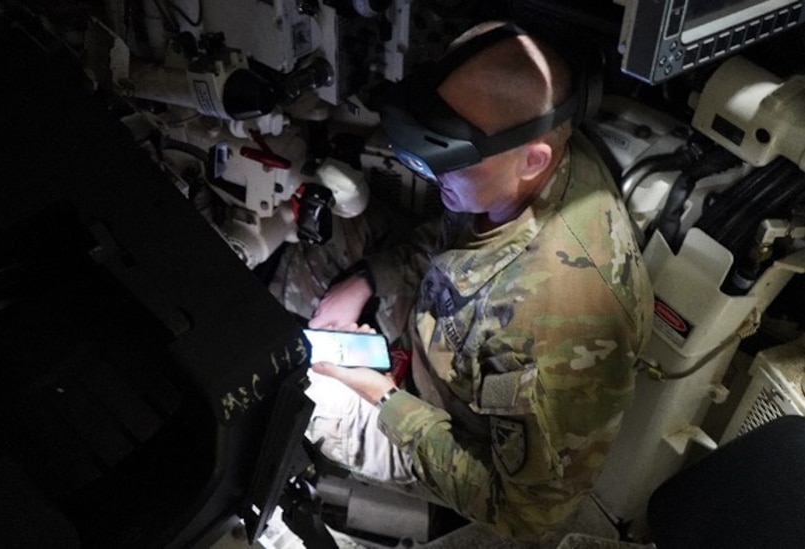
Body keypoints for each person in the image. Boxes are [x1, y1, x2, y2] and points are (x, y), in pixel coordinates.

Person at [268, 21, 653, 540]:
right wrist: (369, 278)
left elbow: (527, 514)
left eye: (449, 161)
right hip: (439, 329)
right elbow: (453, 239)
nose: (430, 174)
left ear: (532, 159)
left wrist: (381, 395)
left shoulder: (561, 330)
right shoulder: (527, 161)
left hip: (443, 430)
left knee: (292, 386)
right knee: (319, 239)